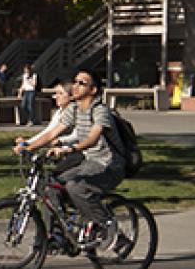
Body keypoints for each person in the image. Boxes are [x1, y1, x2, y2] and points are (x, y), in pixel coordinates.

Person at [19, 70, 123, 245]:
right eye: (75, 81)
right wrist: (28, 148)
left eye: (81, 83)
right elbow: (53, 132)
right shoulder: (74, 109)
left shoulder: (100, 111)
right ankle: (58, 236)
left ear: (93, 90)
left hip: (109, 165)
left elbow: (93, 138)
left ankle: (109, 229)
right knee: (50, 185)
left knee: (76, 187)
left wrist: (68, 149)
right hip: (89, 162)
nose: (75, 86)